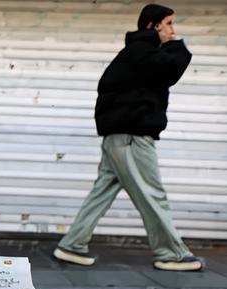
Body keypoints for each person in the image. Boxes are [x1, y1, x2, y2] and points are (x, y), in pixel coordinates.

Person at [53, 4, 204, 272]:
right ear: (152, 26)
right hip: (132, 137)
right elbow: (173, 68)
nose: (173, 29)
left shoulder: (136, 52)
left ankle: (72, 245)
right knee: (152, 195)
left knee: (102, 192)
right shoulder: (141, 52)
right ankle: (171, 253)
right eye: (168, 23)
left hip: (118, 138)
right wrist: (177, 44)